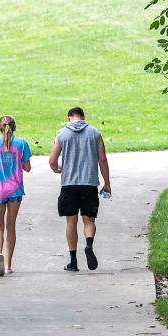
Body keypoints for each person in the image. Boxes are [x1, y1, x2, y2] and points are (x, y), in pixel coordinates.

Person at [48, 107, 111, 271]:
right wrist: (107, 182)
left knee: (71, 221)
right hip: (89, 183)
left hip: (69, 183)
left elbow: (52, 160)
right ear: (83, 117)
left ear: (69, 118)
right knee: (89, 220)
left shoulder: (62, 134)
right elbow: (102, 159)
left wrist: (56, 169)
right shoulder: (95, 133)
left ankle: (73, 261)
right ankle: (89, 244)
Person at [0, 115, 31, 276]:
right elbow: (27, 168)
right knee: (11, 226)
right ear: (14, 127)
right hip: (15, 190)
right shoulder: (21, 143)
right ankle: (8, 265)